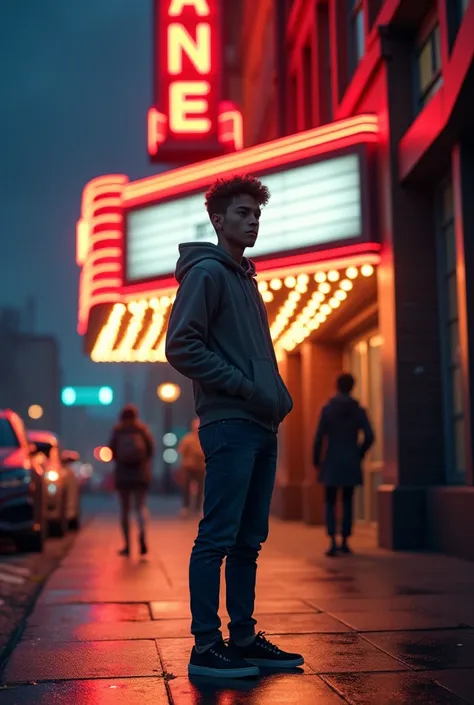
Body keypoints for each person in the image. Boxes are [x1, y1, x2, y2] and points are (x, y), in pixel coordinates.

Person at [166, 175, 304, 679]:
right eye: (243, 214)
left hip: (260, 424)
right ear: (218, 220)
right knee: (218, 537)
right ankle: (206, 647)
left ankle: (242, 638)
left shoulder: (244, 278)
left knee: (249, 539)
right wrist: (245, 388)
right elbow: (182, 346)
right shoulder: (207, 273)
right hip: (229, 424)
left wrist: (276, 395)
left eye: (257, 215)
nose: (253, 221)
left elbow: (255, 354)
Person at [313, 373, 374, 557]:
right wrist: (359, 453)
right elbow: (370, 436)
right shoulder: (358, 410)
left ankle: (332, 540)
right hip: (350, 461)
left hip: (332, 460)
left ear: (337, 386)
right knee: (348, 501)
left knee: (330, 501)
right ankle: (346, 541)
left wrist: (316, 460)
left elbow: (319, 437)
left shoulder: (328, 409)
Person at [109, 404, 154, 557]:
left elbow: (112, 451)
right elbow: (151, 451)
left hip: (123, 476)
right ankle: (142, 537)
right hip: (140, 475)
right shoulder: (142, 430)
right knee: (140, 507)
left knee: (125, 510)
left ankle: (127, 545)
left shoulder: (118, 431)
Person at [178, 419, 205, 518]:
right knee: (185, 488)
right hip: (188, 467)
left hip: (200, 467)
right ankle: (186, 507)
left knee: (200, 489)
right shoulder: (187, 439)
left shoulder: (204, 438)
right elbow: (181, 450)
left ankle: (197, 509)